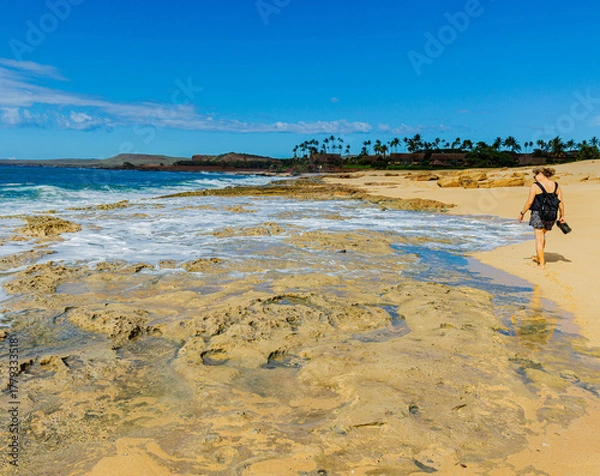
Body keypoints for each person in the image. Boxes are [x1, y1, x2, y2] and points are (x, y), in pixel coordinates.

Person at [518, 167, 565, 270]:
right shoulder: (556, 186)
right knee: (542, 236)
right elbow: (560, 202)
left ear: (541, 174)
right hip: (551, 215)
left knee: (539, 239)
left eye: (535, 175)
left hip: (538, 214)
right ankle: (539, 257)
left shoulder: (535, 186)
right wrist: (562, 216)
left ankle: (541, 264)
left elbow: (530, 202)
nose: (534, 178)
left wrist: (522, 213)